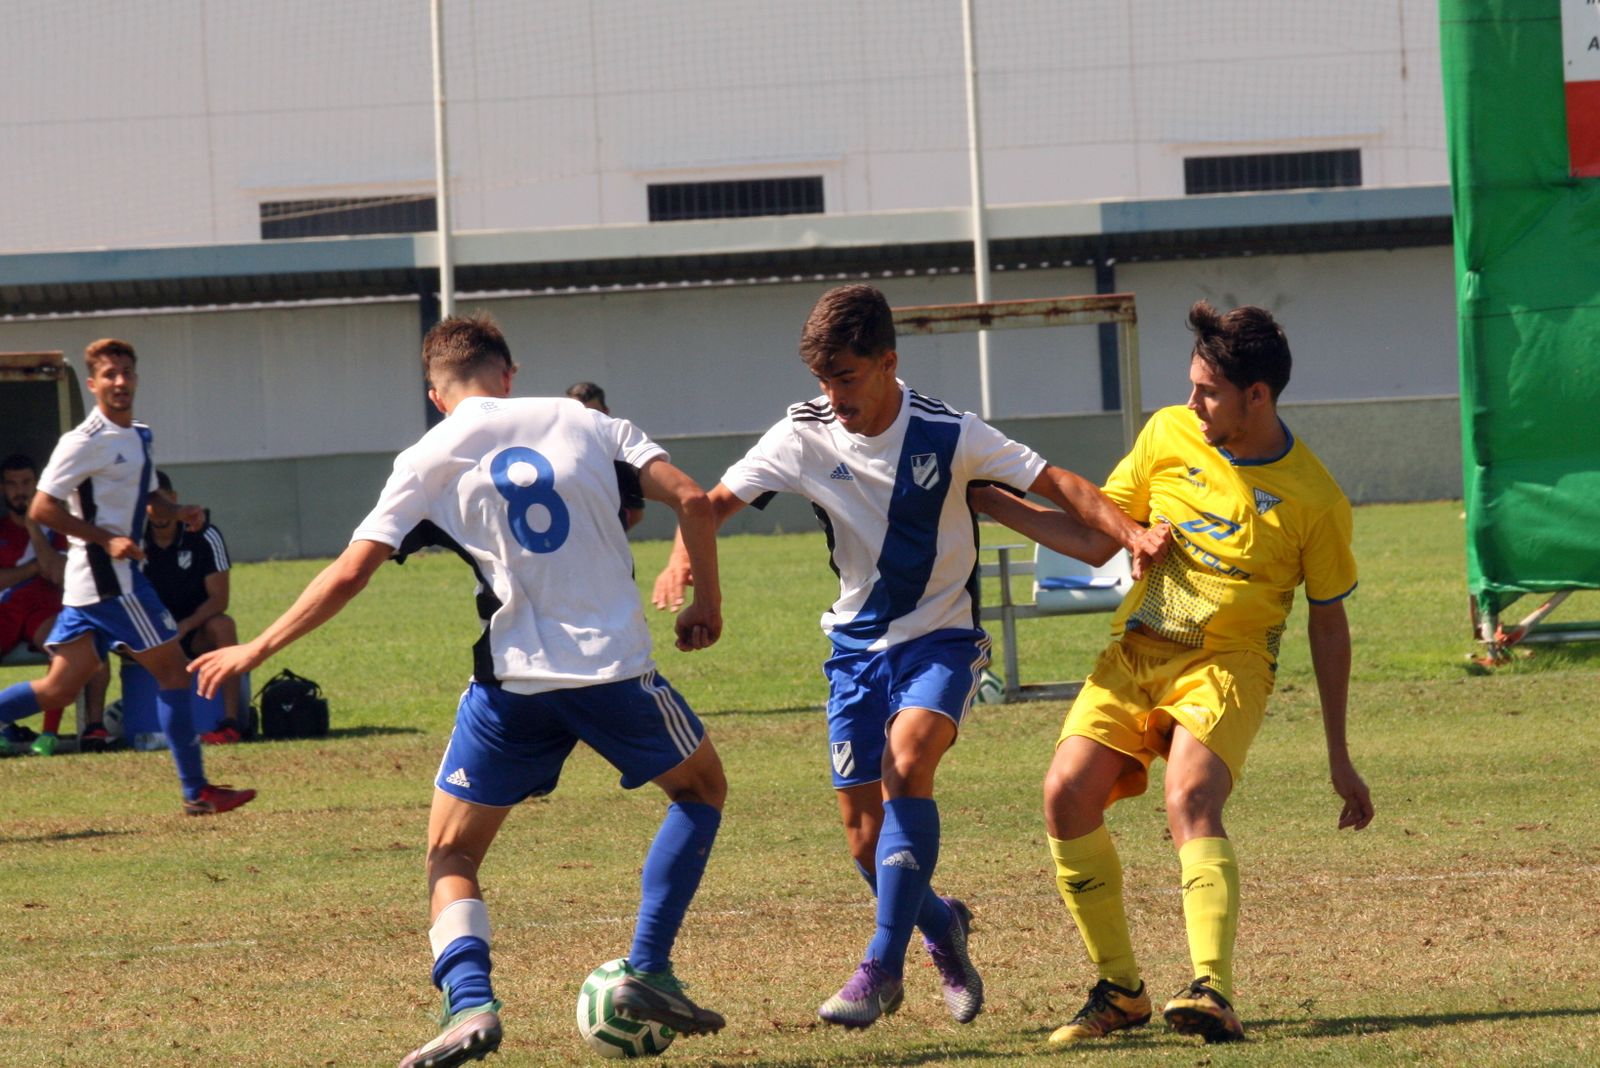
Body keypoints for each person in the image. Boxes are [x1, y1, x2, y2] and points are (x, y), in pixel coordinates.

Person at [192, 312, 730, 1068]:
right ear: (508, 373)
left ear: (436, 394)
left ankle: (469, 1003)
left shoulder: (427, 454)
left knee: (451, 853)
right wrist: (705, 599)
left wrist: (257, 646)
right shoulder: (586, 419)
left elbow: (351, 571)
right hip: (614, 670)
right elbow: (697, 502)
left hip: (514, 682)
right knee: (701, 792)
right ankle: (647, 967)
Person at [651, 283, 1168, 1029]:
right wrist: (687, 569)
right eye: (823, 381)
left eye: (847, 378)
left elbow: (1058, 482)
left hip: (942, 640)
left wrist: (1131, 534)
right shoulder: (802, 433)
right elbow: (710, 505)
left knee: (908, 763)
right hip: (855, 649)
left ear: (889, 361)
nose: (833, 397)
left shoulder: (947, 432)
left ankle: (882, 969)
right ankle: (941, 925)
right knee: (865, 841)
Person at [973, 300, 1374, 1046]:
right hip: (1138, 652)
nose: (1192, 403)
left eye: (1209, 391)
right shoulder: (1167, 434)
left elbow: (1328, 622)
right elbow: (1095, 541)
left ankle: (1212, 990)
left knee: (1189, 796)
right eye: (1191, 385)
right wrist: (990, 502)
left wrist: (1340, 754)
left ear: (1258, 396)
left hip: (1228, 667)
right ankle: (1120, 991)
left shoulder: (1316, 499)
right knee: (1064, 794)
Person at [0, 339, 254, 813]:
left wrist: (178, 511)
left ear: (135, 378)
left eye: (126, 372)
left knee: (58, 688)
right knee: (173, 671)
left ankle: (196, 790)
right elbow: (42, 507)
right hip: (111, 581)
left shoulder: (139, 435)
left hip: (89, 587)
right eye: (109, 375)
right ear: (93, 384)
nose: (119, 382)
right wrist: (105, 539)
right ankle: (196, 791)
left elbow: (147, 494)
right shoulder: (82, 441)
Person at [141, 469, 247, 743]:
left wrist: (184, 626)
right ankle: (97, 729)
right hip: (147, 634)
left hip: (194, 631)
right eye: (151, 507)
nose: (159, 514)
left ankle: (230, 722)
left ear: (174, 501)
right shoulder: (131, 540)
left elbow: (219, 599)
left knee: (224, 626)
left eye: (165, 504)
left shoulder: (204, 535)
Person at [0, 454, 70, 754]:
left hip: (44, 609)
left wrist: (33, 525)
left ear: (38, 484)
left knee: (63, 645)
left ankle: (49, 735)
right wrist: (32, 569)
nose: (20, 491)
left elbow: (57, 573)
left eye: (27, 483)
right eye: (12, 484)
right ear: (3, 489)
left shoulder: (57, 529)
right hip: (5, 609)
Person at [567, 381, 646, 531]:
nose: (586, 421)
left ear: (606, 412)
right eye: (578, 415)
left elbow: (636, 512)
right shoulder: (554, 454)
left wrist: (610, 536)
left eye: (594, 414)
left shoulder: (617, 453)